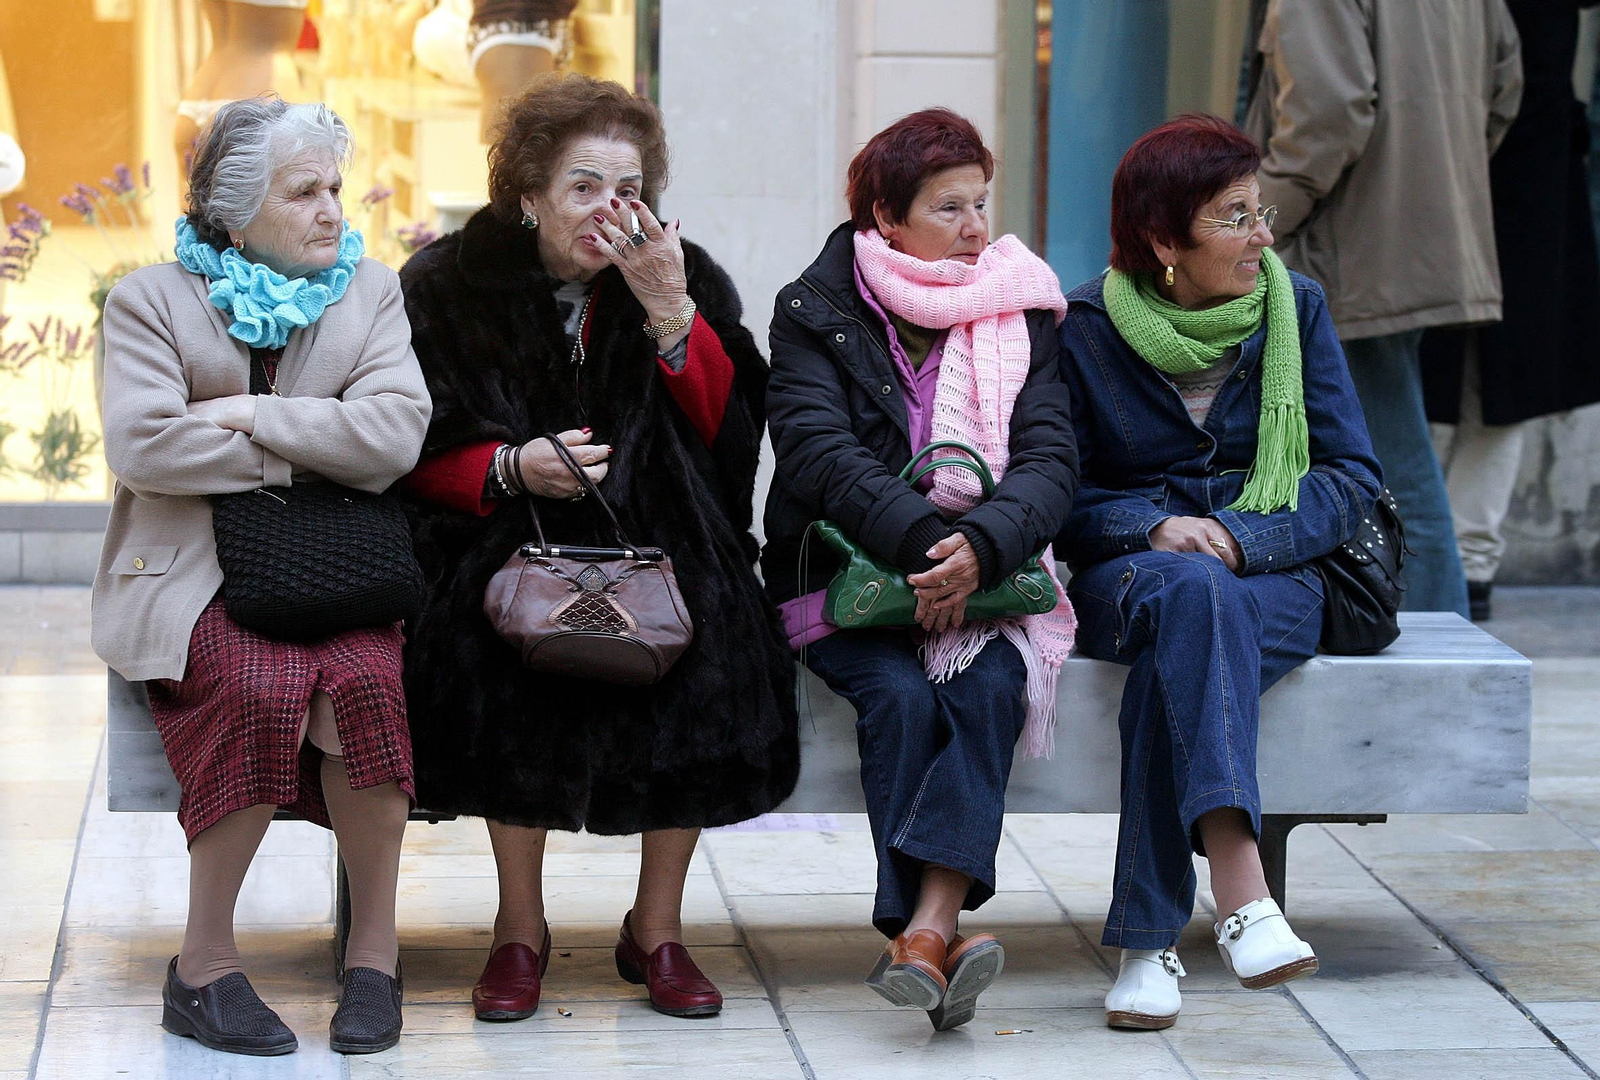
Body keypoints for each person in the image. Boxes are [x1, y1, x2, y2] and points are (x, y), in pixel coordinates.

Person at [398, 73, 798, 1024]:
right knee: (498, 657)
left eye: (627, 190)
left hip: (660, 536)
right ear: (526, 191)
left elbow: (729, 432)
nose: (610, 211)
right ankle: (519, 929)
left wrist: (670, 315)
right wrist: (505, 467)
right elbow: (404, 444)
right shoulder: (443, 285)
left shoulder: (676, 267)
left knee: (712, 647)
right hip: (501, 534)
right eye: (583, 187)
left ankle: (655, 928)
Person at [93, 97, 432, 1056]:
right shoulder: (149, 299)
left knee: (364, 682)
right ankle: (203, 966)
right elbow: (146, 446)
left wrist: (242, 418)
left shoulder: (370, 291)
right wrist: (312, 444)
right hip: (191, 572)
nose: (333, 208)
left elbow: (394, 435)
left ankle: (375, 955)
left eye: (335, 186)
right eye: (305, 192)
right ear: (236, 214)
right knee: (253, 680)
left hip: (337, 566)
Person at [1056, 114, 1383, 1031]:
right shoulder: (1084, 328)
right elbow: (1059, 489)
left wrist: (1240, 538)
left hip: (1279, 578)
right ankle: (1241, 890)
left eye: (1260, 212)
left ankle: (1148, 941)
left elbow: (1350, 478)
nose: (1261, 237)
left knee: (1195, 624)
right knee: (1189, 598)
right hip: (1131, 577)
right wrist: (1153, 523)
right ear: (1164, 240)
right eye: (1233, 217)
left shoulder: (1297, 307)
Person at [763, 108, 1079, 1032]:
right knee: (900, 699)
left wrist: (980, 549)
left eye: (982, 203)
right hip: (846, 580)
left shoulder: (1022, 303)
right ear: (885, 218)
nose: (978, 228)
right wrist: (923, 547)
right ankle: (928, 933)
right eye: (950, 209)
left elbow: (1051, 458)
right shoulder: (814, 310)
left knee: (985, 693)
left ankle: (925, 934)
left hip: (992, 580)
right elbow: (817, 454)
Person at [1243, 0, 1523, 617]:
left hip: (1349, 245)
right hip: (1405, 238)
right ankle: (1437, 662)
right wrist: (1435, 179)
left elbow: (1326, 115)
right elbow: (1502, 91)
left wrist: (1253, 220)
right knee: (1389, 461)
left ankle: (1443, 674)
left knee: (1391, 472)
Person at [1422, 0, 1600, 621]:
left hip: (1523, 167)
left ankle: (1467, 565)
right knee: (1407, 363)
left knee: (1502, 375)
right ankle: (1455, 561)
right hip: (1448, 159)